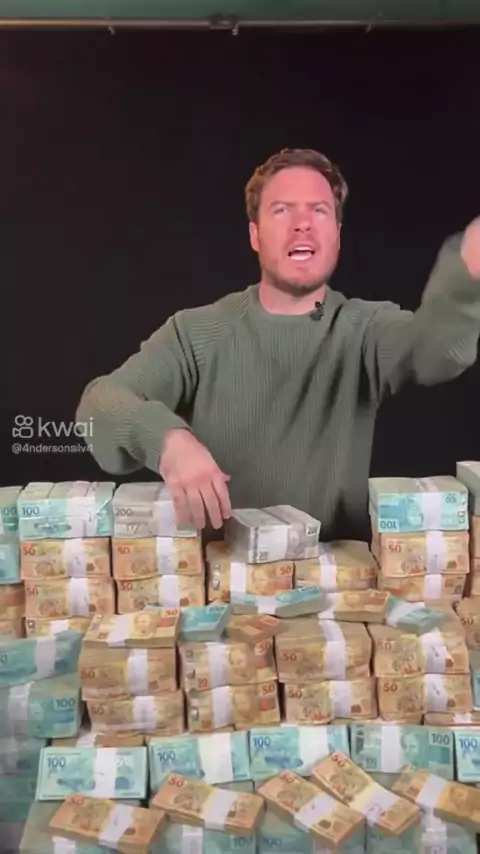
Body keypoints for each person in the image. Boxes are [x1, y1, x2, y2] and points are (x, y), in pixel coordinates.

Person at [76, 148, 480, 540]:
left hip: (334, 576)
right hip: (219, 576)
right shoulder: (197, 331)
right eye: (283, 210)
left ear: (337, 234)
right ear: (255, 235)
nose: (302, 224)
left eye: (318, 210)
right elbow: (99, 403)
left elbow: (438, 351)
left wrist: (468, 267)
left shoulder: (365, 330)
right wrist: (169, 441)